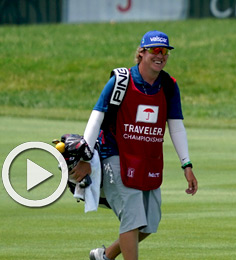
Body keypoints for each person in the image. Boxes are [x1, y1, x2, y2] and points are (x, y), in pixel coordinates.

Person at [70, 30, 198, 260]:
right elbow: (96, 117)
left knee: (149, 223)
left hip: (147, 157)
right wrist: (86, 159)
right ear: (141, 53)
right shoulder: (120, 81)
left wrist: (186, 164)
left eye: (165, 51)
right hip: (115, 153)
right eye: (155, 50)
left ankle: (104, 256)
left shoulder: (168, 85)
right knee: (132, 216)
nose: (161, 56)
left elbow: (176, 126)